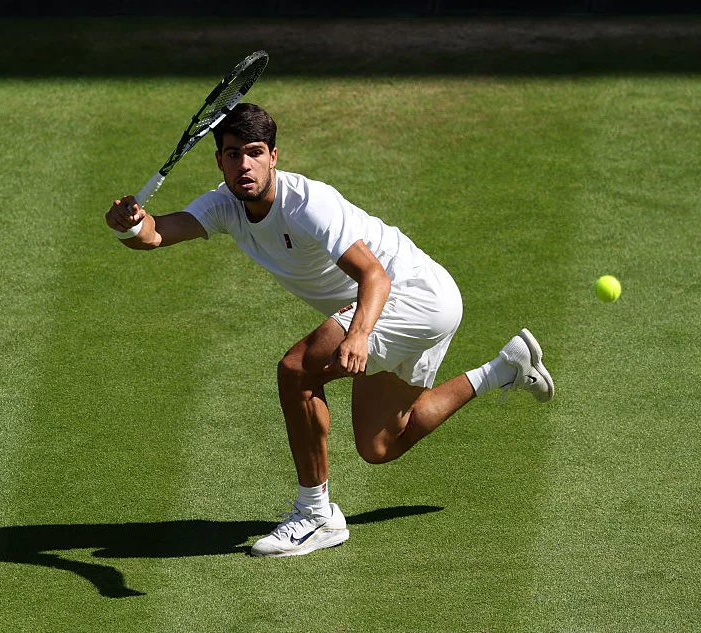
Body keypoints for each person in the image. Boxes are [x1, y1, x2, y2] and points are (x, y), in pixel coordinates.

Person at [104, 103, 554, 558]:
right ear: (219, 160)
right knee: (381, 444)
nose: (245, 164)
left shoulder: (306, 207)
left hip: (415, 296)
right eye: (234, 153)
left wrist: (358, 334)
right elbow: (159, 233)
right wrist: (131, 225)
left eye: (255, 152)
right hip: (407, 302)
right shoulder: (224, 205)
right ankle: (505, 368)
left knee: (296, 371)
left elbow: (374, 275)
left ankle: (316, 515)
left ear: (274, 156)